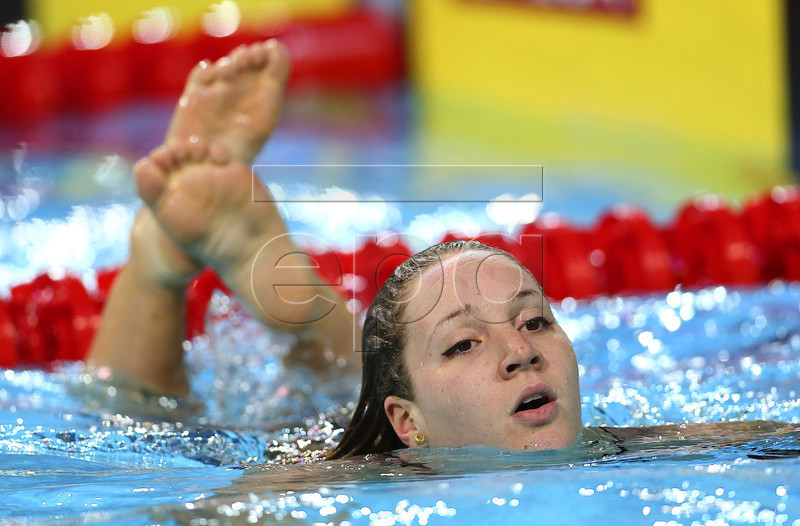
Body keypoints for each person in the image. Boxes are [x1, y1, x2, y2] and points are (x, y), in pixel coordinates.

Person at [87, 39, 796, 460]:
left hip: (393, 395)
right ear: (407, 426)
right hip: (319, 435)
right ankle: (160, 260)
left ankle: (261, 266)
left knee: (361, 366)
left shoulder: (650, 445)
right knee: (156, 421)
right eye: (465, 345)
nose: (521, 350)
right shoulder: (334, 478)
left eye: (536, 319)